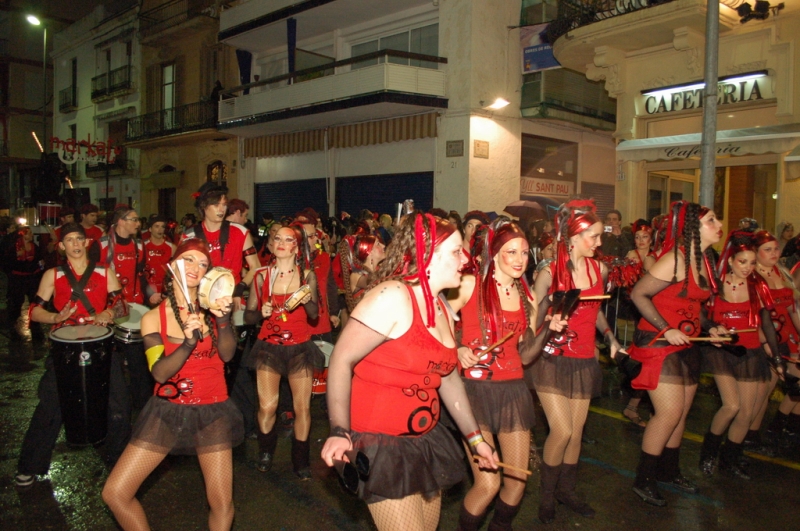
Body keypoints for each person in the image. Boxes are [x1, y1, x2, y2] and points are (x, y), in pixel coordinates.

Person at [321, 212, 498, 531]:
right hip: (382, 445)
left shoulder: (441, 305)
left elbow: (447, 378)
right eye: (457, 251)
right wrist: (339, 430)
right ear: (428, 255)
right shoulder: (392, 297)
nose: (466, 259)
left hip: (423, 442)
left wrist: (475, 439)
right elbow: (341, 359)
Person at [102, 239, 242, 531]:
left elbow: (228, 355)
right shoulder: (153, 318)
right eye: (189, 259)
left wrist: (224, 319)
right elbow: (159, 373)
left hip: (212, 409)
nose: (196, 267)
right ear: (172, 265)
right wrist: (189, 343)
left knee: (222, 503)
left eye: (203, 263)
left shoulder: (215, 307)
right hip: (168, 409)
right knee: (115, 492)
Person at [448, 217, 561, 531]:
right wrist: (457, 349)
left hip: (512, 392)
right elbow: (438, 324)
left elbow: (525, 356)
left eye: (525, 253)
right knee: (487, 485)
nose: (520, 260)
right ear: (495, 253)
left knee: (517, 480)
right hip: (474, 392)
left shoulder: (529, 299)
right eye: (511, 252)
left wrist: (548, 330)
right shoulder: (469, 285)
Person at [531, 198, 624, 523]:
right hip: (552, 359)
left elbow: (594, 311)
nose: (600, 243)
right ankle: (545, 496)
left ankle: (565, 491)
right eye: (594, 236)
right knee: (562, 430)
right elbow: (531, 320)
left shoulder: (598, 269)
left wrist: (610, 337)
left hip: (584, 358)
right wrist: (549, 316)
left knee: (576, 430)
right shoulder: (549, 272)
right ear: (573, 237)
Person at [15, 223, 127, 487]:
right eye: (69, 240)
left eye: (80, 238)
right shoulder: (52, 275)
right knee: (51, 403)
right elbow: (34, 311)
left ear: (86, 243)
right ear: (62, 246)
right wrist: (56, 316)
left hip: (101, 346)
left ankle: (120, 461)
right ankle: (30, 465)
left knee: (118, 403)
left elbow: (121, 304)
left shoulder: (103, 270)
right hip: (65, 348)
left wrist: (107, 313)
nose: (76, 244)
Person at [628, 200, 724, 506]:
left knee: (680, 414)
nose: (718, 224)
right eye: (711, 220)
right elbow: (638, 294)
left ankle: (669, 471)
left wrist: (713, 329)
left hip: (688, 341)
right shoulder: (675, 258)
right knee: (668, 413)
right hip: (658, 340)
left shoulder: (703, 259)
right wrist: (666, 328)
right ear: (694, 227)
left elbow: (694, 307)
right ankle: (643, 479)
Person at [699, 231, 779, 480]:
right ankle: (708, 452)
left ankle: (730, 458)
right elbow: (700, 315)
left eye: (753, 262)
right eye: (743, 262)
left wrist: (777, 358)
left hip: (751, 352)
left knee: (747, 412)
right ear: (731, 260)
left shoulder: (758, 285)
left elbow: (767, 325)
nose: (748, 267)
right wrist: (711, 327)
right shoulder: (716, 284)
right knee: (731, 405)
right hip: (722, 352)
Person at [245, 225, 322, 479]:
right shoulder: (260, 276)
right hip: (269, 347)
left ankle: (300, 460)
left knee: (303, 409)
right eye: (277, 238)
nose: (281, 242)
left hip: (299, 348)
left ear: (296, 247)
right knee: (268, 407)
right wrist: (260, 313)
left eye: (288, 239)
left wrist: (306, 297)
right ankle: (266, 451)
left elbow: (313, 315)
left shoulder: (307, 275)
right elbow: (248, 317)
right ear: (270, 244)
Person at [98, 205, 160, 413]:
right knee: (110, 364)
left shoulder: (139, 245)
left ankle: (142, 408)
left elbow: (142, 276)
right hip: (109, 311)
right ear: (120, 221)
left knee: (139, 365)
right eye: (133, 219)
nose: (138, 223)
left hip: (134, 310)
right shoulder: (102, 245)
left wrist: (151, 294)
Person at [748, 230, 800, 450]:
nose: (774, 253)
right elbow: (753, 313)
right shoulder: (752, 277)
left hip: (787, 334)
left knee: (794, 383)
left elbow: (792, 308)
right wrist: (765, 342)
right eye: (767, 250)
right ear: (755, 252)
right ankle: (750, 435)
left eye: (776, 248)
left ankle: (777, 426)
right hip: (765, 336)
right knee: (764, 392)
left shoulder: (782, 272)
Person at [182, 183, 260, 310]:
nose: (221, 209)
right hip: (200, 302)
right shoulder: (189, 236)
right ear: (203, 206)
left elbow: (255, 266)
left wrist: (240, 289)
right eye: (216, 205)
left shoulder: (240, 232)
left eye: (224, 205)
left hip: (232, 299)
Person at [622, 219, 656, 427]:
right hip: (637, 309)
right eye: (637, 237)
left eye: (645, 237)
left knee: (653, 361)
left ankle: (644, 407)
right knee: (646, 358)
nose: (641, 241)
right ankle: (635, 405)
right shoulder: (632, 256)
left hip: (654, 309)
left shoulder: (657, 256)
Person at [5, 225, 45, 340]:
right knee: (16, 302)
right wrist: (15, 256)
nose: (31, 235)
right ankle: (12, 324)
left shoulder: (34, 247)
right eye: (28, 233)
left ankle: (35, 325)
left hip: (31, 279)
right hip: (17, 279)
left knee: (34, 301)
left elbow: (40, 260)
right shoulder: (14, 248)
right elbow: (6, 262)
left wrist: (40, 271)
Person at [339, 231, 386, 313]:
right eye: (378, 244)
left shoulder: (381, 269)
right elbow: (374, 281)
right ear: (369, 252)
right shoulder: (356, 276)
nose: (383, 246)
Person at [144, 215, 176, 297]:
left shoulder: (172, 247)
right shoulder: (142, 246)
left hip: (165, 291)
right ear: (150, 229)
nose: (160, 229)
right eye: (157, 226)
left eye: (162, 227)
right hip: (147, 290)